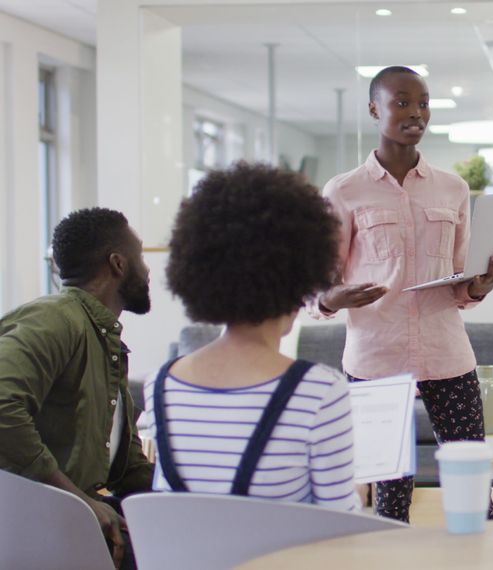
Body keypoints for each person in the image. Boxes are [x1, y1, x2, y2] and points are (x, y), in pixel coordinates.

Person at [316, 66, 493, 523]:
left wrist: (481, 285)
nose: (416, 113)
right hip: (376, 357)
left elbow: (462, 278)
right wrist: (336, 297)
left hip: (446, 351)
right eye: (402, 102)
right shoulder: (343, 191)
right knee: (390, 495)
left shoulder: (453, 188)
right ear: (374, 109)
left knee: (474, 488)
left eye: (423, 102)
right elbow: (321, 284)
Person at [143, 162, 361, 512]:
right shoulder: (319, 392)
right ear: (303, 274)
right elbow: (341, 527)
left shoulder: (160, 386)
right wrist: (358, 493)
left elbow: (173, 513)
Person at [0, 208, 154, 568]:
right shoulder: (56, 319)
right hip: (37, 523)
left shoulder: (105, 342)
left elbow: (127, 468)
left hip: (76, 515)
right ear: (118, 263)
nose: (147, 271)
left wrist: (187, 498)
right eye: (141, 258)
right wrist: (80, 502)